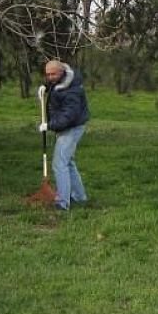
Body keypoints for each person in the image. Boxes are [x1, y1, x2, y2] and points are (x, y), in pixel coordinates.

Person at [41, 59, 91, 210]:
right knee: (68, 162)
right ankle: (80, 197)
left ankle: (63, 203)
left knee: (59, 163)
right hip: (68, 126)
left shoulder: (72, 89)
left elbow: (70, 115)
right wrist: (44, 87)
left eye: (52, 74)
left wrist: (49, 125)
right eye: (47, 75)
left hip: (72, 127)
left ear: (61, 72)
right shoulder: (61, 80)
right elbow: (53, 84)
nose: (50, 77)